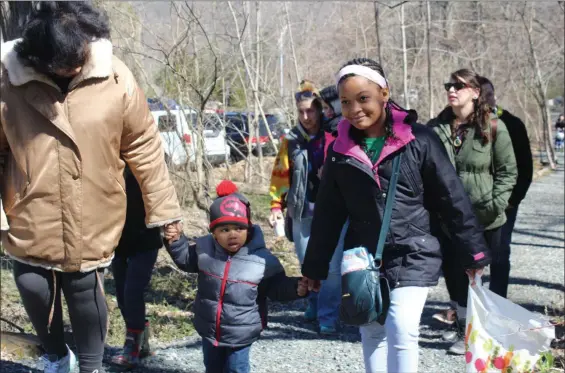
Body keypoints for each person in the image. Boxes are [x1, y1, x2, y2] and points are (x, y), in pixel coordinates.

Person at [0, 3, 181, 373]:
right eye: (63, 64)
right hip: (30, 203)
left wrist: (164, 211)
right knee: (32, 283)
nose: (73, 69)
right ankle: (54, 355)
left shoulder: (115, 76)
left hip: (94, 204)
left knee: (83, 287)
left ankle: (91, 365)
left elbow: (144, 145)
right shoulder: (8, 81)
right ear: (38, 56)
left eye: (78, 59)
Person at [301, 58, 490, 373]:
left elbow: (452, 199)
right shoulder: (339, 150)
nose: (355, 109)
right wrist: (315, 267)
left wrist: (473, 253)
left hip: (413, 250)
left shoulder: (420, 140)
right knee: (371, 328)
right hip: (363, 255)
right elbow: (328, 214)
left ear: (384, 94)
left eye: (363, 98)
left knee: (401, 327)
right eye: (346, 102)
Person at [163, 180, 308, 373]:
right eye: (224, 230)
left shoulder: (260, 259)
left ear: (248, 229)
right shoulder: (204, 251)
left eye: (239, 228)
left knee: (236, 369)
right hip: (210, 329)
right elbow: (185, 259)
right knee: (212, 368)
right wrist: (175, 241)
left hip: (241, 332)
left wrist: (296, 288)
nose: (232, 234)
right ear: (213, 232)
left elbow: (275, 287)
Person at [427, 69, 517, 355]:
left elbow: (508, 172)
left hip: (485, 218)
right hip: (448, 217)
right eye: (449, 85)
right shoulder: (435, 127)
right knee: (454, 275)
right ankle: (464, 332)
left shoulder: (494, 127)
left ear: (475, 93)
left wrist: (493, 205)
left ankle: (483, 331)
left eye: (459, 86)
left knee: (478, 275)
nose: (452, 90)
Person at [268, 80, 344, 335]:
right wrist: (276, 205)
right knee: (307, 264)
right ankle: (313, 302)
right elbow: (280, 174)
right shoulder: (290, 140)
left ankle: (328, 315)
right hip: (301, 211)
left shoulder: (334, 134)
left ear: (320, 110)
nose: (306, 116)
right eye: (301, 111)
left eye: (311, 110)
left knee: (332, 268)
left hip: (332, 212)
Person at [479, 77, 533, 298]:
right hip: (472, 202)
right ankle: (467, 310)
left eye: (489, 94)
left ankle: (497, 303)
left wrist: (512, 201)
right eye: (482, 95)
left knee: (499, 254)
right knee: (469, 254)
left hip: (505, 202)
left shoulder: (512, 124)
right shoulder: (462, 125)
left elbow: (525, 168)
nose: (486, 100)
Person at [110, 165, 162, 369]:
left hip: (145, 241)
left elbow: (162, 196)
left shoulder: (146, 166)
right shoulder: (108, 168)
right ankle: (143, 342)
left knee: (132, 292)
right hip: (118, 242)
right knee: (123, 296)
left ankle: (132, 345)